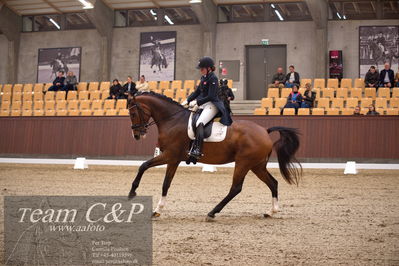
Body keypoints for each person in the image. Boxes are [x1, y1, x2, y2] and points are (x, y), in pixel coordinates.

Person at [181, 57, 232, 161]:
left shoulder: (213, 78)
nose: (200, 70)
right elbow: (197, 92)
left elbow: (212, 96)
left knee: (200, 122)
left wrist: (197, 102)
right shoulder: (204, 77)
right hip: (204, 104)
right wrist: (187, 100)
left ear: (209, 68)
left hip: (212, 105)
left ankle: (197, 150)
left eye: (202, 68)